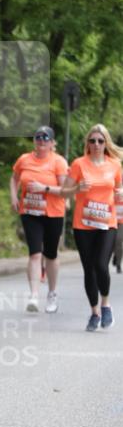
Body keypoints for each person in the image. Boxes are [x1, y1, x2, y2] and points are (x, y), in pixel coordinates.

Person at [61, 124, 123, 330]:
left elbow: (119, 187)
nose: (96, 144)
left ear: (106, 143)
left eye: (100, 141)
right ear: (87, 143)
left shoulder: (114, 165)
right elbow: (63, 191)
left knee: (101, 265)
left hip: (107, 223)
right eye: (92, 141)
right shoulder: (79, 164)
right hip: (83, 224)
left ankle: (106, 305)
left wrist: (120, 193)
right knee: (89, 269)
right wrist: (77, 188)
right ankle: (94, 312)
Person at [10, 126, 68, 313]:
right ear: (34, 141)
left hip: (53, 213)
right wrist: (14, 196)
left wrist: (44, 188)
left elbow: (66, 190)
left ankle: (52, 293)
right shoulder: (24, 159)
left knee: (50, 255)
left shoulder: (58, 162)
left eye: (46, 138)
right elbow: (14, 179)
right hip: (30, 212)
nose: (41, 141)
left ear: (52, 143)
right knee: (35, 253)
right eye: (38, 137)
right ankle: (34, 295)